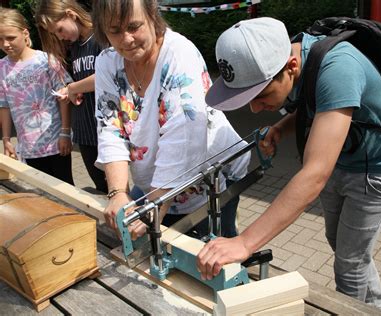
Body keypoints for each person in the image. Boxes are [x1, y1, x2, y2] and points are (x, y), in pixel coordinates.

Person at [198, 17, 381, 313]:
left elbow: (314, 174)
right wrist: (281, 128)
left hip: (375, 172)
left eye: (260, 96)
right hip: (343, 161)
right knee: (344, 247)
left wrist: (245, 242)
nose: (254, 108)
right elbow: (320, 109)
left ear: (291, 67)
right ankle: (379, 309)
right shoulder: (302, 59)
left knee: (350, 265)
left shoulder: (338, 67)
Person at [91, 0, 250, 239]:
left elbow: (183, 140)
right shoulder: (107, 61)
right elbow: (110, 129)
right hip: (158, 182)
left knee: (214, 250)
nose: (125, 40)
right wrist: (117, 193)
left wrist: (153, 209)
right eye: (114, 31)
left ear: (152, 14)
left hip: (210, 178)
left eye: (134, 26)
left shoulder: (179, 54)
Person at [35, 0, 108, 193]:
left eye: (59, 29)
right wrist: (76, 92)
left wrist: (72, 88)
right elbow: (84, 82)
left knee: (114, 190)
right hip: (84, 131)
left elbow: (107, 75)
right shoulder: (75, 47)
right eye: (55, 34)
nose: (60, 36)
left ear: (71, 14)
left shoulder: (102, 36)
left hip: (107, 131)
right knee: (101, 188)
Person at [0, 7, 74, 185]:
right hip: (28, 148)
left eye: (10, 38)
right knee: (41, 193)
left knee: (65, 190)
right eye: (0, 40)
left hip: (56, 144)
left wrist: (65, 133)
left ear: (25, 33)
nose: (5, 44)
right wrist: (7, 139)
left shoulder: (46, 60)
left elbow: (64, 97)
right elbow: (4, 105)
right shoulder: (1, 68)